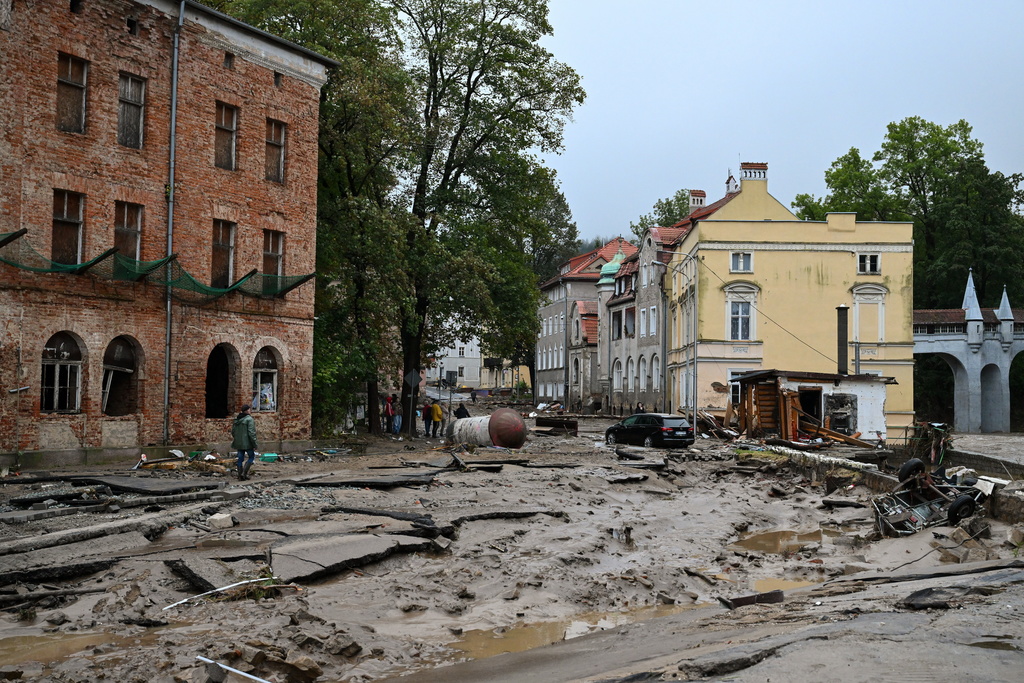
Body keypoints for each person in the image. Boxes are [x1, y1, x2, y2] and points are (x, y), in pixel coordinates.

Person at [231, 403, 258, 480]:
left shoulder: (237, 419)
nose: (250, 411)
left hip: (238, 443)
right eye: (249, 409)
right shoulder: (249, 419)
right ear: (246, 411)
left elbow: (233, 432)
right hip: (248, 443)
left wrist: (237, 439)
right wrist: (254, 444)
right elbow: (251, 433)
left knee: (240, 458)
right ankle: (244, 473)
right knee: (251, 457)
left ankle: (240, 475)